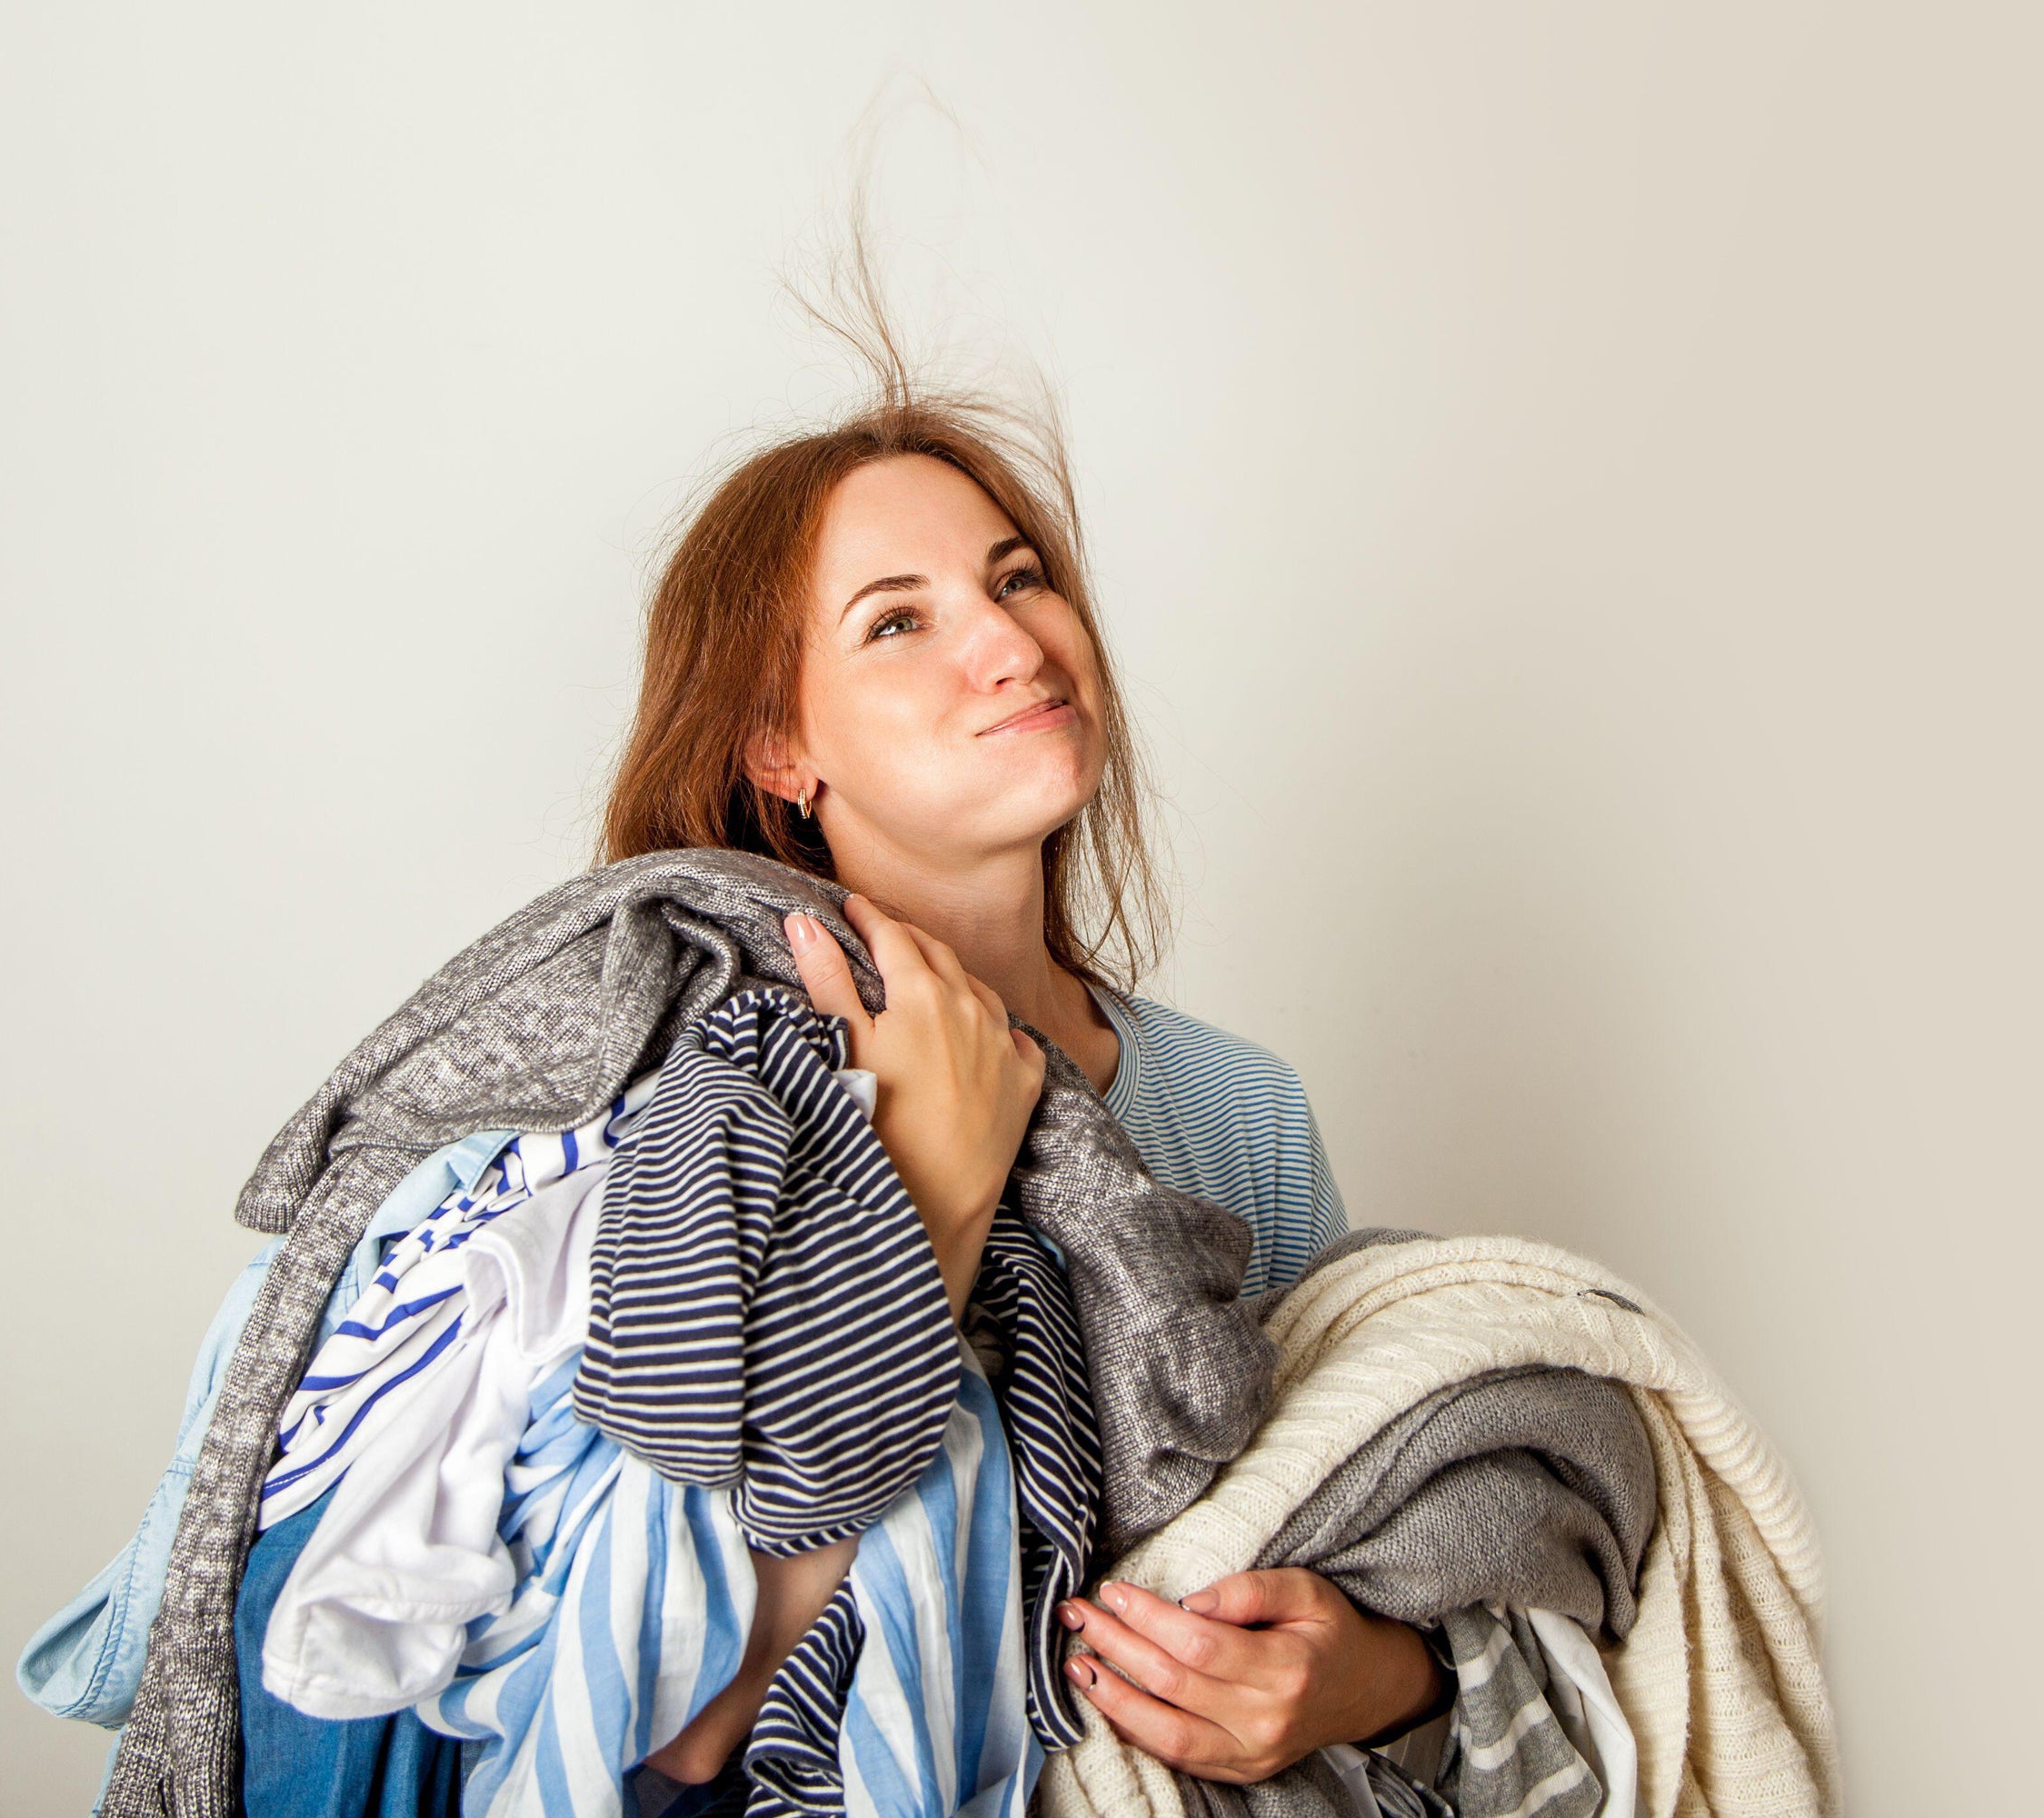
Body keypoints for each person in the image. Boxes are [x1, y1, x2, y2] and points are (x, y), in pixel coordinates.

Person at [593, 329, 1455, 1797]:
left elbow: (1368, 1544)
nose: (1011, 643)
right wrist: (939, 1175)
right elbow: (660, 1713)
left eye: (1016, 579)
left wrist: (1369, 1678)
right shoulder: (701, 1093)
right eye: (895, 621)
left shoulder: (1243, 1107)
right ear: (779, 750)